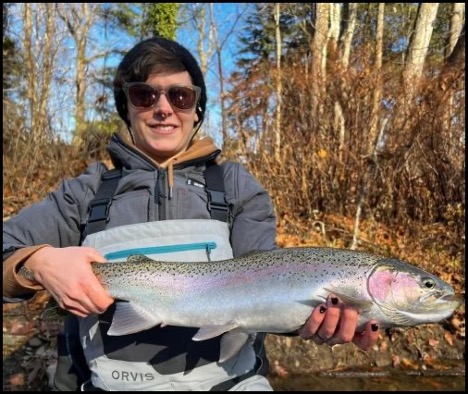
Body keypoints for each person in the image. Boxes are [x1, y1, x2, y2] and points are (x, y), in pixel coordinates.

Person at [3, 36, 379, 391]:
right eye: (144, 95)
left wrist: (314, 321)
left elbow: (268, 292)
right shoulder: (84, 193)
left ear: (196, 108)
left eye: (180, 96)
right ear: (127, 107)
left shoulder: (235, 186)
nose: (163, 108)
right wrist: (39, 263)